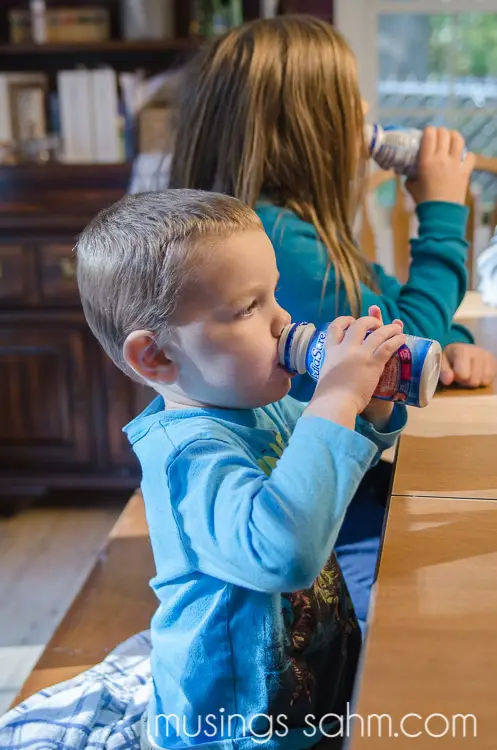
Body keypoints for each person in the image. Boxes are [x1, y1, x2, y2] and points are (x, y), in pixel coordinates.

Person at [168, 14, 497, 626]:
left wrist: (452, 341)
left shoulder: (295, 231)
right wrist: (443, 214)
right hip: (322, 515)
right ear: (307, 127)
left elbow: (388, 304)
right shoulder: (273, 237)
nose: (366, 108)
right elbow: (397, 340)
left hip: (336, 492)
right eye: (350, 98)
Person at [76, 189, 407, 750]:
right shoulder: (188, 458)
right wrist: (334, 399)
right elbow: (284, 551)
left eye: (273, 294)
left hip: (308, 698)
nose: (284, 320)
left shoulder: (263, 405)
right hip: (230, 729)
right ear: (155, 357)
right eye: (249, 307)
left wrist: (370, 404)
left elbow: (325, 475)